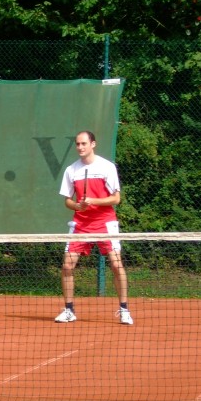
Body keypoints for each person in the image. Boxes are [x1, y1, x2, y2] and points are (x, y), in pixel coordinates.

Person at [55, 130, 133, 325]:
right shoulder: (71, 170)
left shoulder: (107, 167)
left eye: (83, 143)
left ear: (93, 144)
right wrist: (78, 206)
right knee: (67, 265)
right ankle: (69, 310)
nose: (80, 147)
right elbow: (67, 201)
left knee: (116, 264)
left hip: (105, 222)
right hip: (80, 224)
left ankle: (124, 309)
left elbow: (116, 198)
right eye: (77, 144)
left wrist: (94, 201)